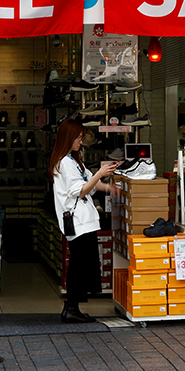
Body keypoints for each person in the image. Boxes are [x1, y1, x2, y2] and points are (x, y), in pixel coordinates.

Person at [47, 119, 118, 323]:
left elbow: (91, 184)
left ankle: (73, 307)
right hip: (77, 222)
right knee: (78, 264)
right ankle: (70, 308)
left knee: (81, 263)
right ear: (68, 138)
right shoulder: (64, 163)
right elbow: (81, 190)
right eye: (78, 138)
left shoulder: (73, 161)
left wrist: (111, 188)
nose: (81, 141)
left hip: (84, 221)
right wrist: (100, 174)